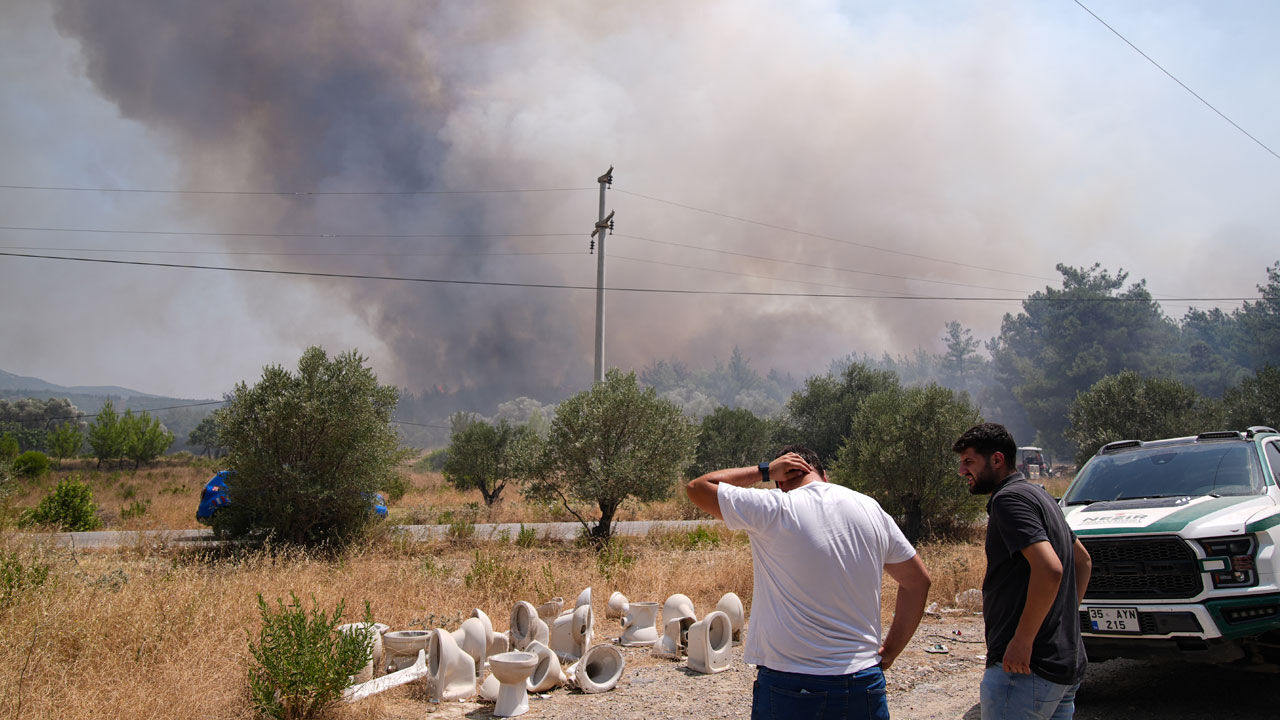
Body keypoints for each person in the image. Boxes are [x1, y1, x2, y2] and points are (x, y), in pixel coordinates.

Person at [686, 444, 932, 720]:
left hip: (792, 684)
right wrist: (889, 652)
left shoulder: (776, 507)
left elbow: (698, 487)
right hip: (864, 681)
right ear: (824, 475)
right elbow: (917, 582)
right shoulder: (869, 508)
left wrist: (763, 470)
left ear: (780, 481)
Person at [952, 423, 1092, 720]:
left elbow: (1050, 569)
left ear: (997, 460)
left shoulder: (1009, 500)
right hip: (1061, 667)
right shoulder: (1040, 496)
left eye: (969, 462)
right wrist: (1058, 619)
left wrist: (1024, 639)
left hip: (1025, 670)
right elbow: (1083, 561)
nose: (962, 471)